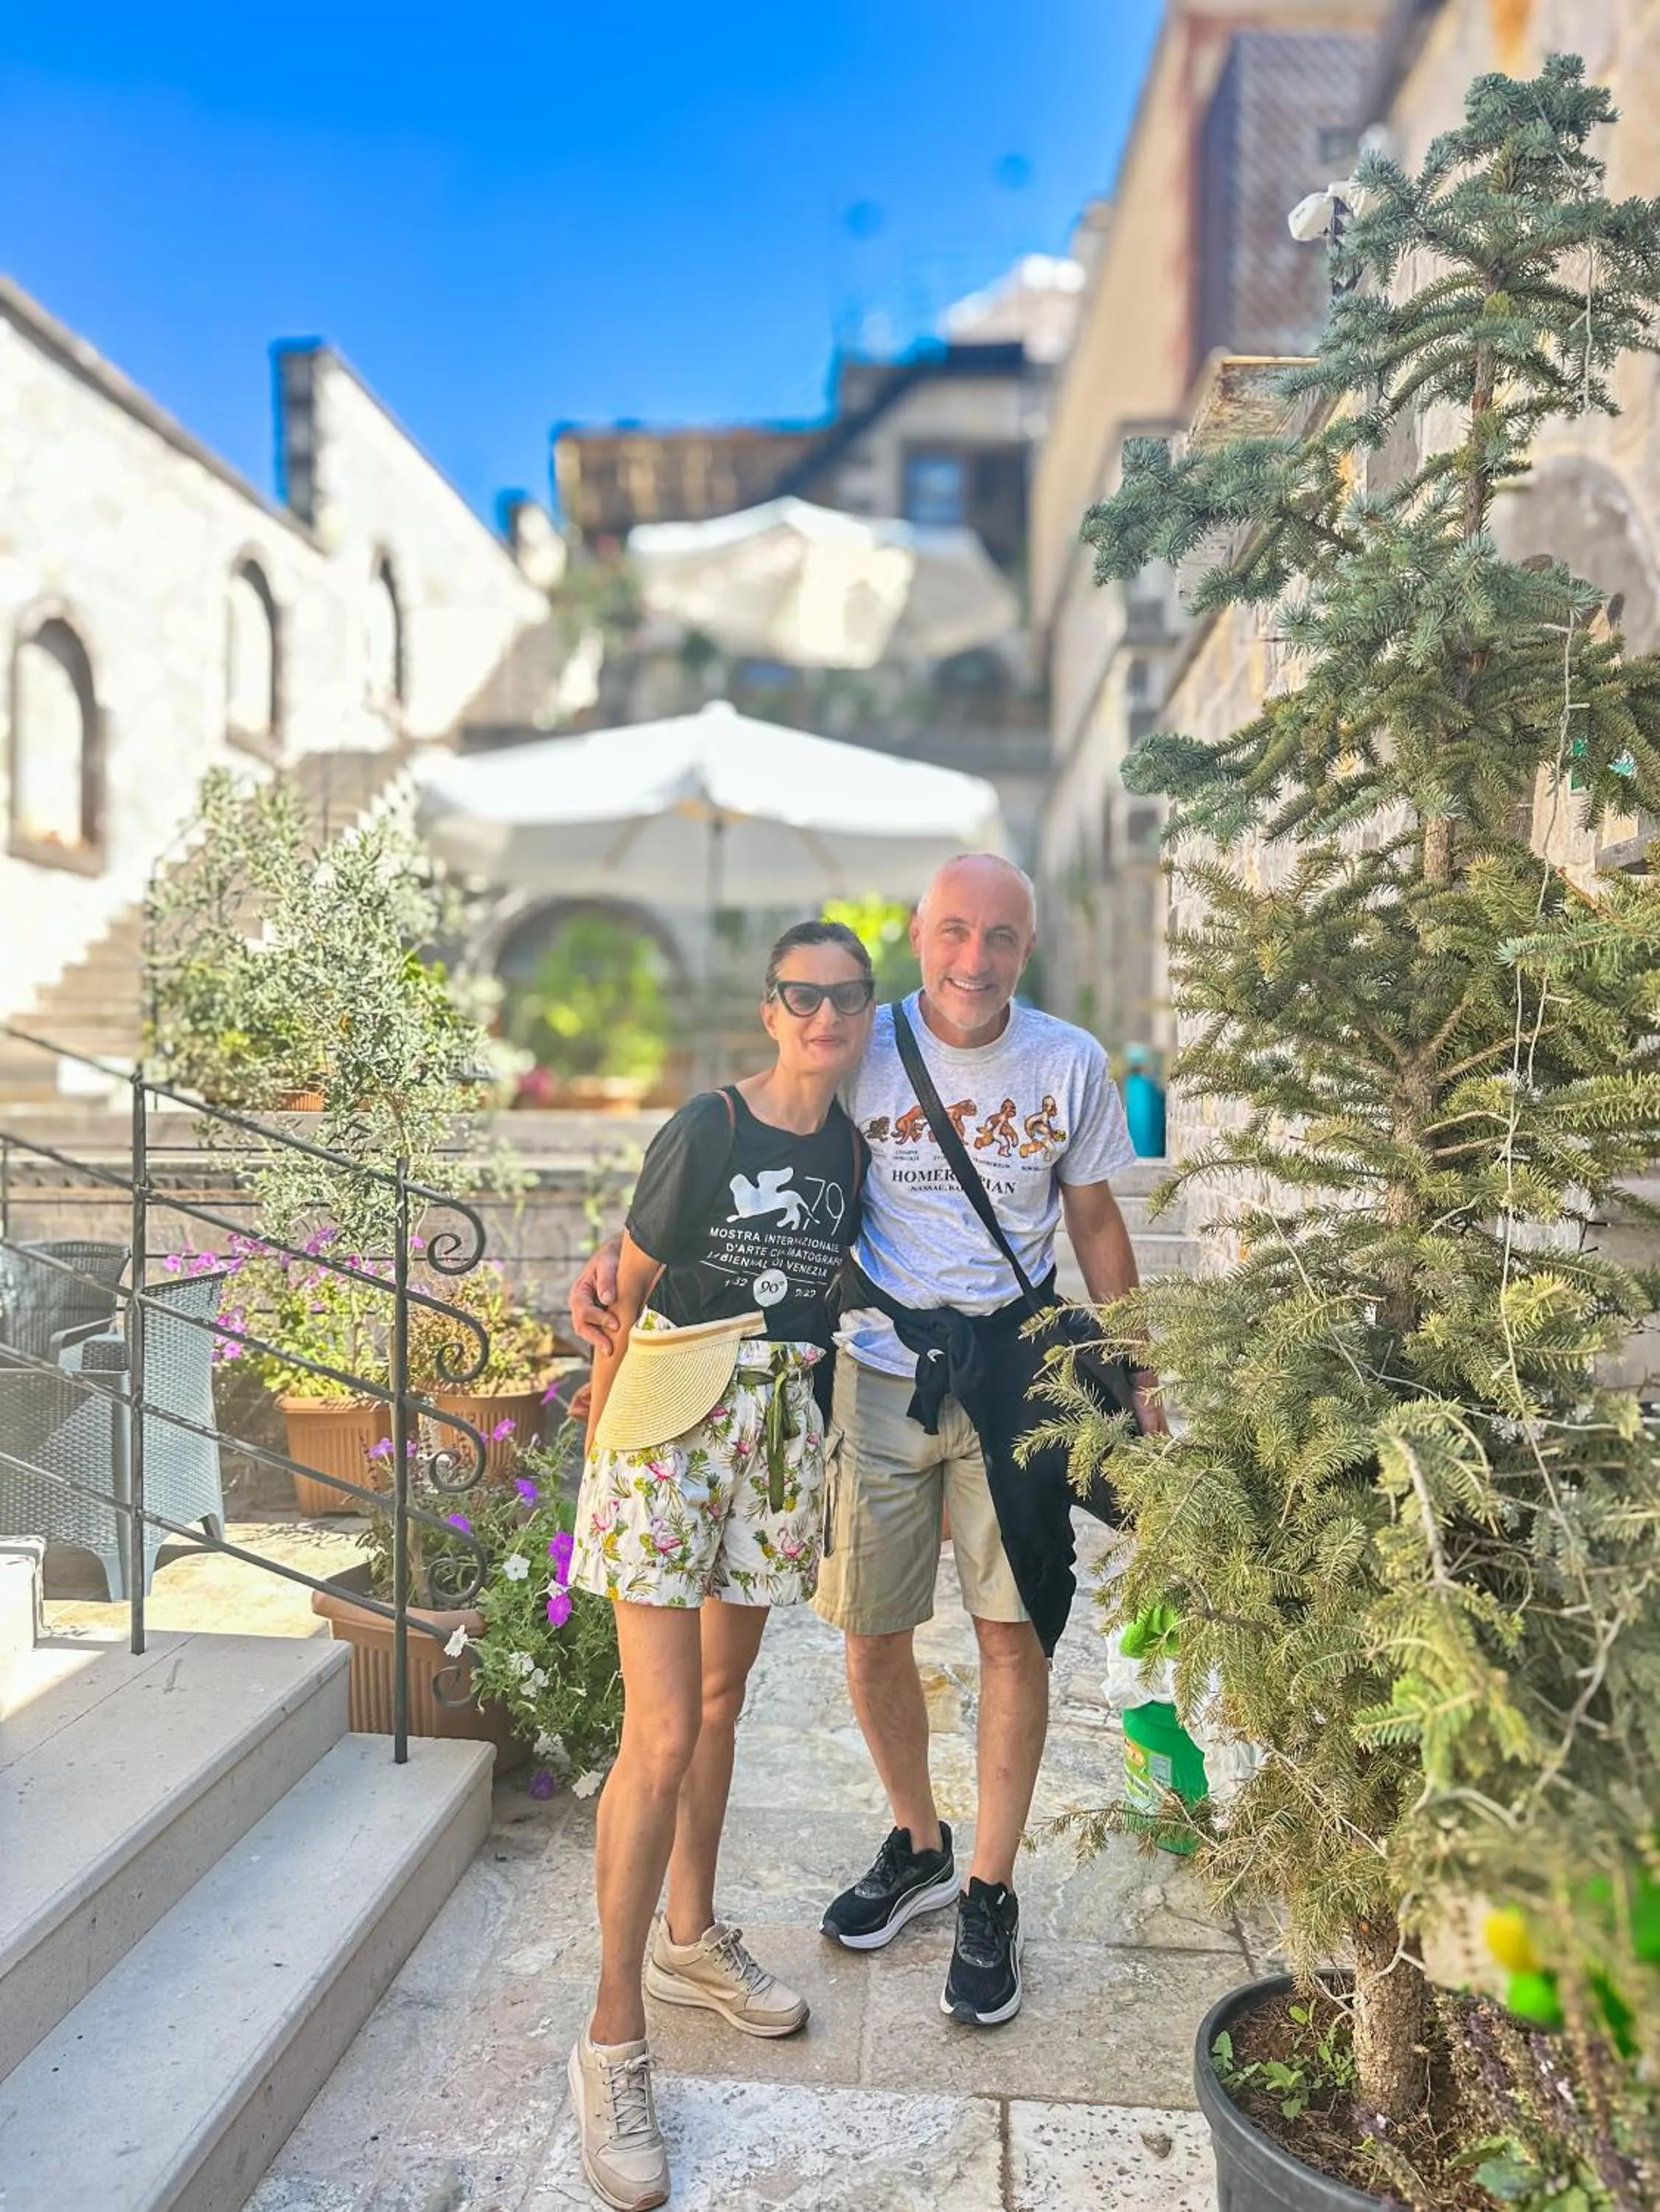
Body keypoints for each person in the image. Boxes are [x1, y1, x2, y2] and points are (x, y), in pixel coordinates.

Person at [570, 855, 1162, 2048]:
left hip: (1017, 1368)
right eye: (953, 932)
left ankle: (989, 1893)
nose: (973, 959)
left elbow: (1096, 1220)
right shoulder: (864, 1037)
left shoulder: (1068, 1063)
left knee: (1011, 1633)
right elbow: (738, 1150)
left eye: (1000, 937)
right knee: (868, 1631)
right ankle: (919, 1845)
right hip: (876, 1373)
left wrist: (1141, 1373)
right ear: (917, 936)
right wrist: (614, 1278)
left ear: (1026, 947)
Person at [564, 920, 873, 2212]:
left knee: (725, 1704)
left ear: (866, 1014)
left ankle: (692, 1939)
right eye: (802, 997)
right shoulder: (709, 1127)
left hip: (776, 1427)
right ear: (769, 1009)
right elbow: (621, 1298)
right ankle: (612, 2035)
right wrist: (602, 1427)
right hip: (671, 1426)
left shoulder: (855, 1150)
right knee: (661, 1731)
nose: (822, 1017)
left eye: (846, 999)